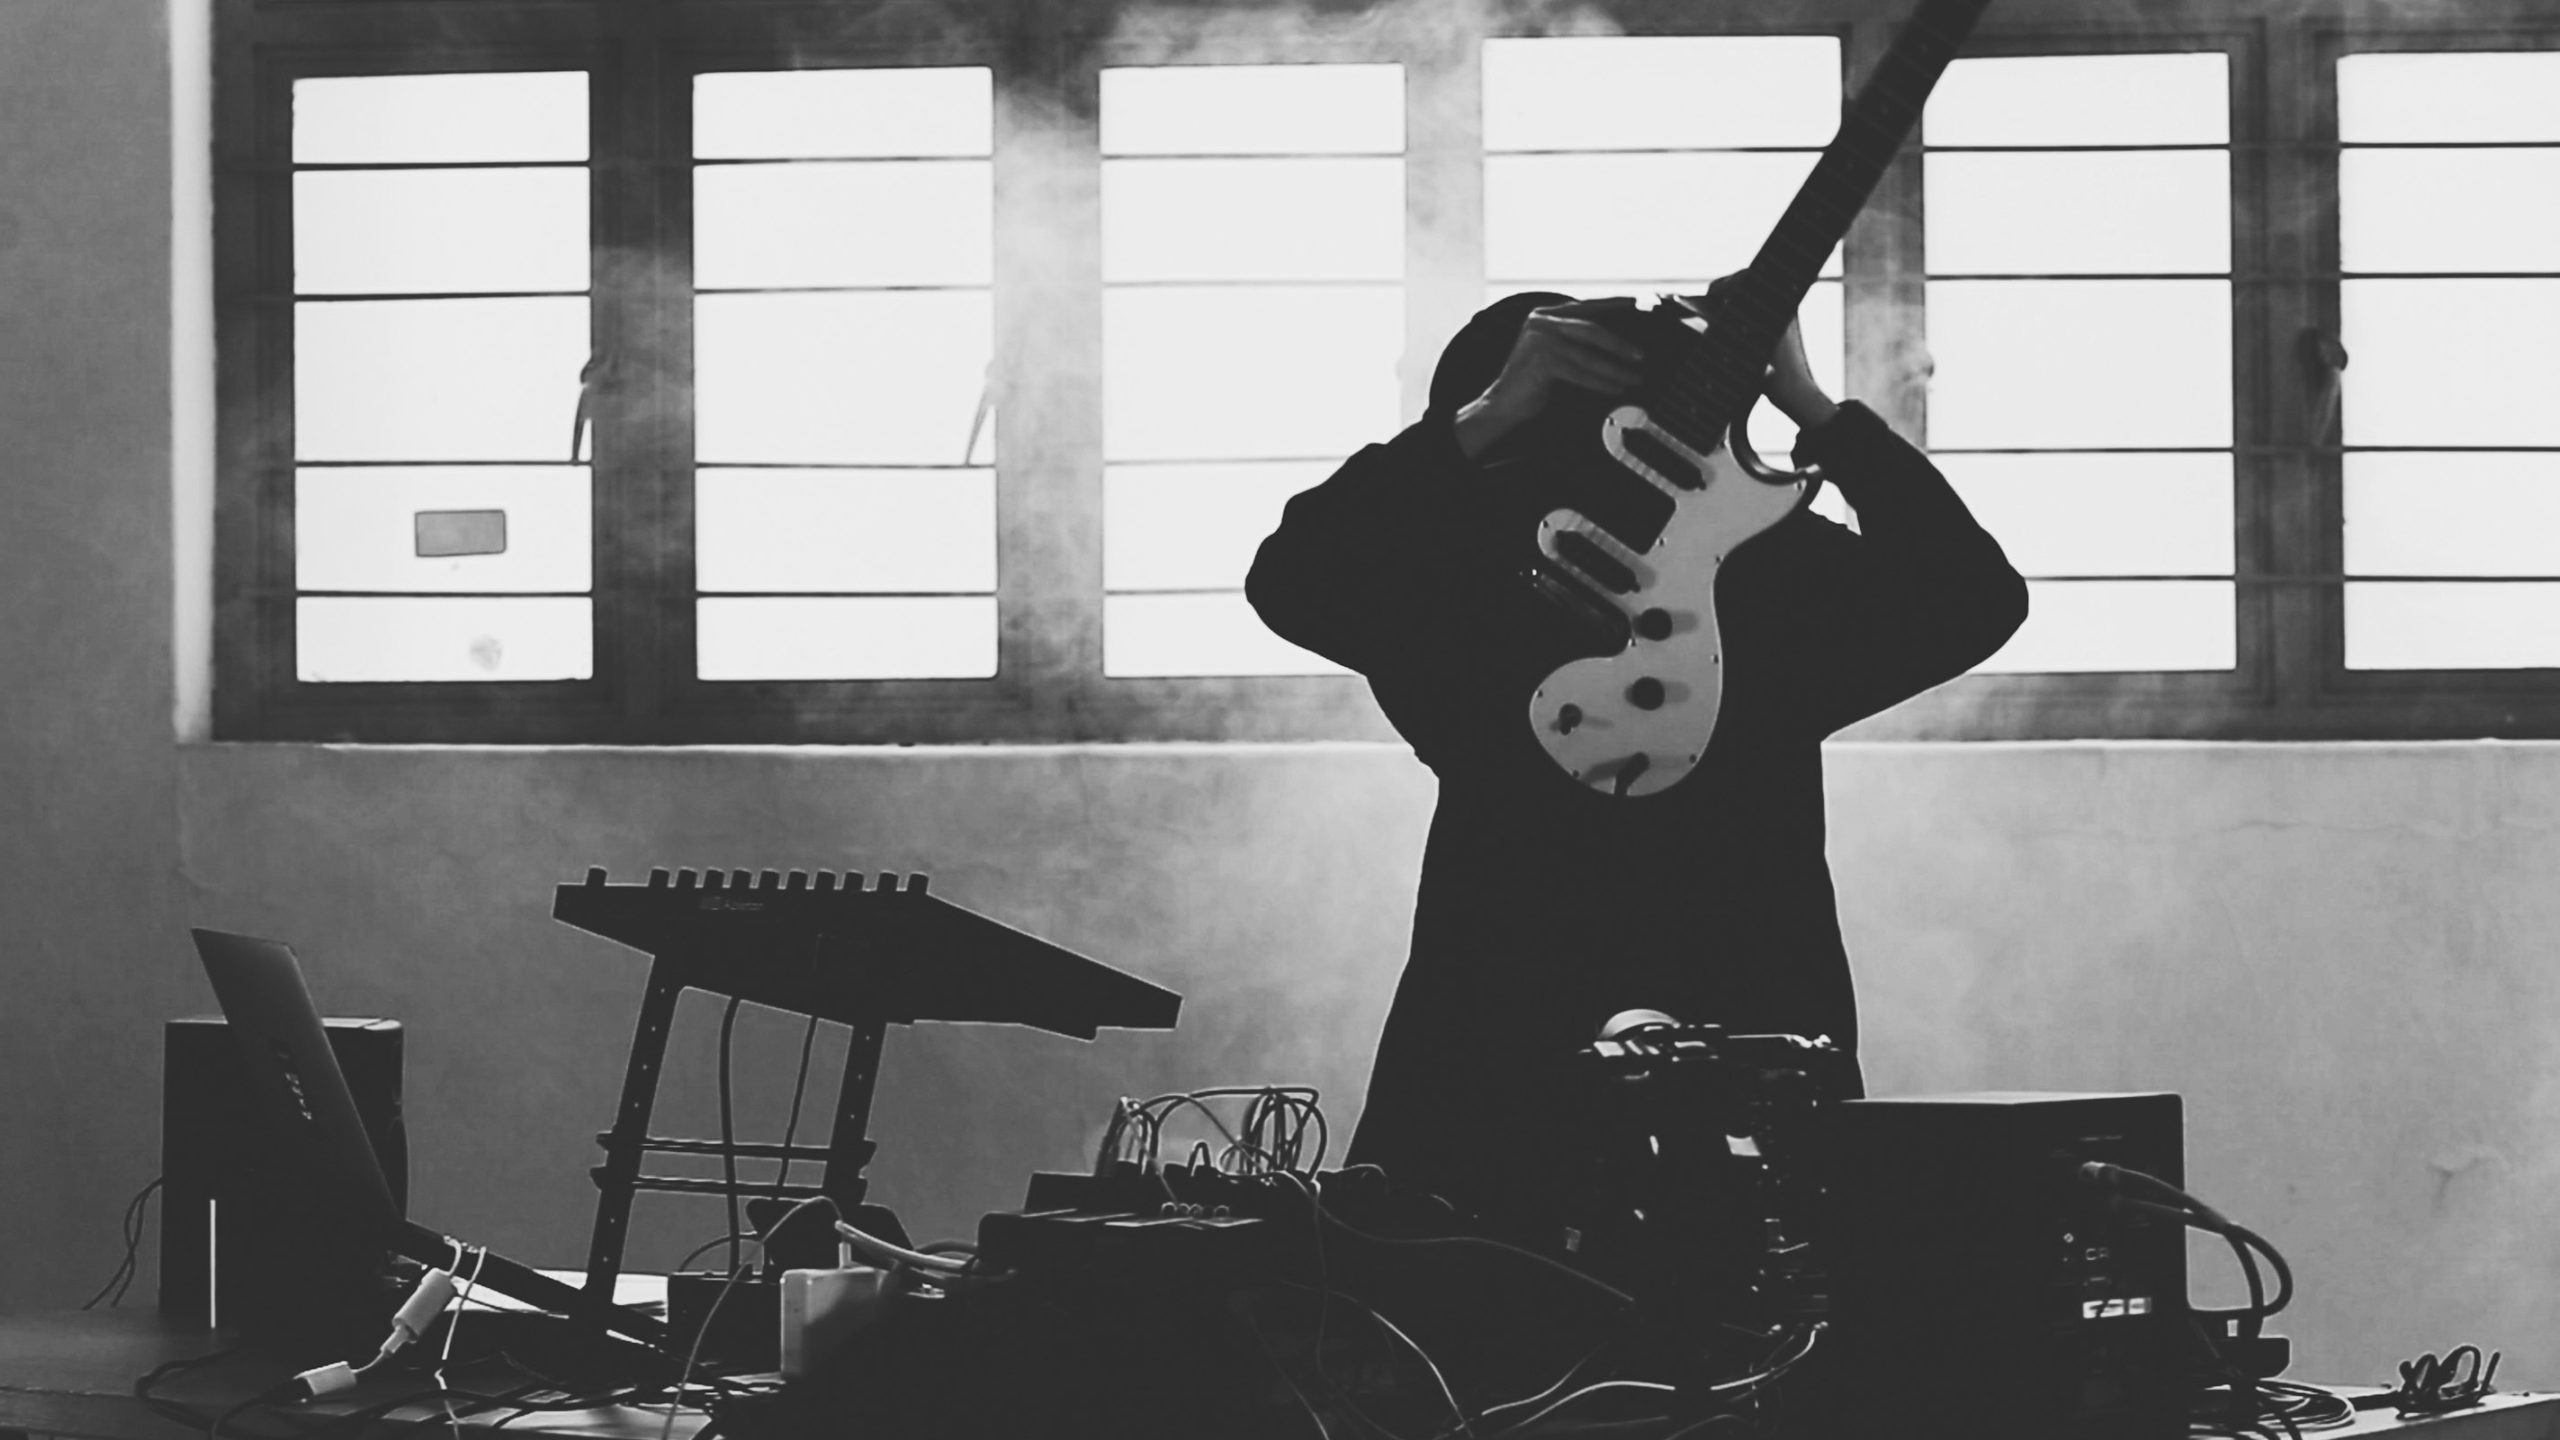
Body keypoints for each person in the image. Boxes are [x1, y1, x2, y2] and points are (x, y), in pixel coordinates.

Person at [1244, 285, 2029, 1238]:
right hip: (1648, 1024)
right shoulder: (1472, 576)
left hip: (1571, 1033)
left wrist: (1482, 423)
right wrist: (1814, 410)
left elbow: (1973, 598)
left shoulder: (1743, 570)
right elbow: (1292, 575)